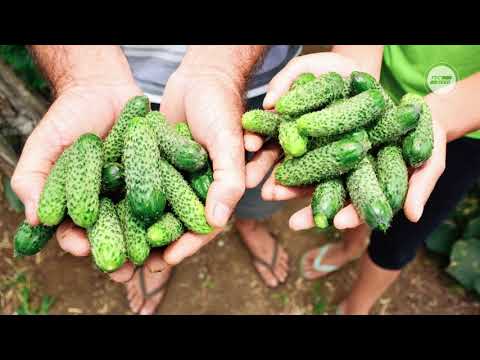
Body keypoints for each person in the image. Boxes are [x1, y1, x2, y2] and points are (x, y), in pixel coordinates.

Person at [11, 45, 301, 315]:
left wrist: (218, 68)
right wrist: (83, 76)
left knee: (250, 176)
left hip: (254, 80)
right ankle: (176, 250)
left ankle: (249, 224)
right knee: (224, 184)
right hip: (115, 78)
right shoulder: (113, 160)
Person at [254, 45, 480, 314]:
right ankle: (349, 248)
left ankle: (357, 307)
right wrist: (354, 58)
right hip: (377, 79)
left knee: (400, 237)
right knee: (355, 199)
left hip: (467, 120)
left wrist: (445, 113)